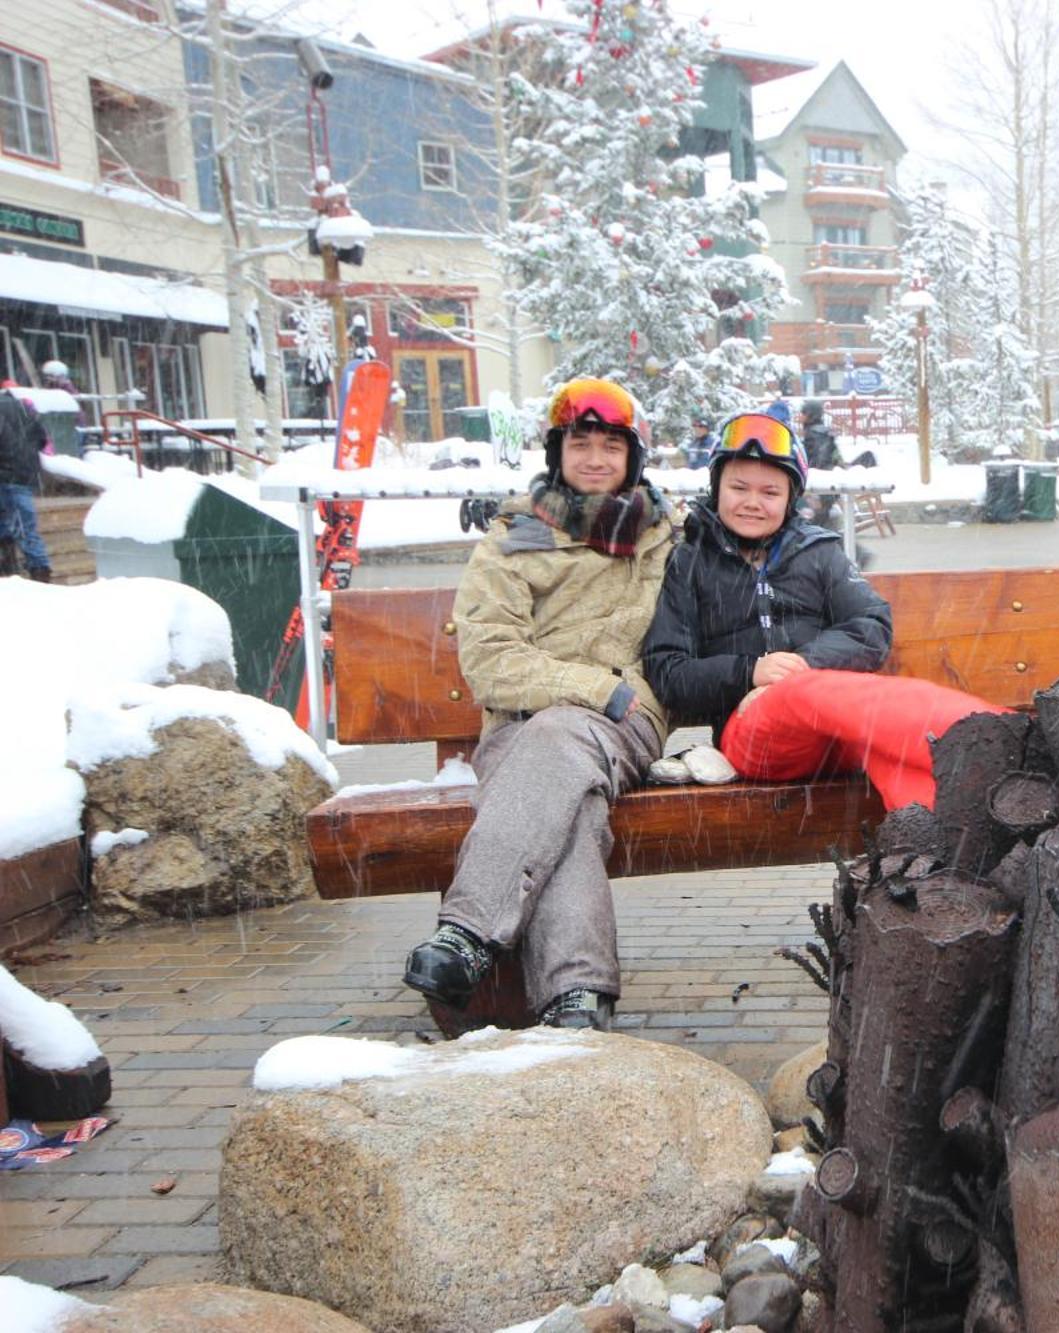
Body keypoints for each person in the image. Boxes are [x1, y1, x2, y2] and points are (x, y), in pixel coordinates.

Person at [402, 378, 675, 1031]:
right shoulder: (515, 539)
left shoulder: (667, 535)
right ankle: (576, 997)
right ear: (557, 452)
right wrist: (587, 688)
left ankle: (467, 932)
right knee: (567, 799)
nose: (596, 459)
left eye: (613, 446)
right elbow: (491, 658)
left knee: (559, 746)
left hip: (625, 721)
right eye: (580, 443)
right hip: (526, 728)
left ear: (633, 458)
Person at [643, 411, 1005, 811]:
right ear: (716, 487)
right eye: (739, 488)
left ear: (790, 498)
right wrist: (750, 671)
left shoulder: (817, 553)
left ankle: (950, 846)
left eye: (770, 492)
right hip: (753, 734)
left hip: (838, 732)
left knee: (892, 756)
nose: (752, 503)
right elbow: (667, 670)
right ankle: (1000, 741)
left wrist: (803, 662)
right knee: (810, 697)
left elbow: (870, 625)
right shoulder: (690, 563)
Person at [0, 384, 52, 582]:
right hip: (24, 474)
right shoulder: (22, 409)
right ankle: (36, 571)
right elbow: (41, 439)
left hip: (7, 474)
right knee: (23, 525)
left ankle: (33, 570)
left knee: (18, 525)